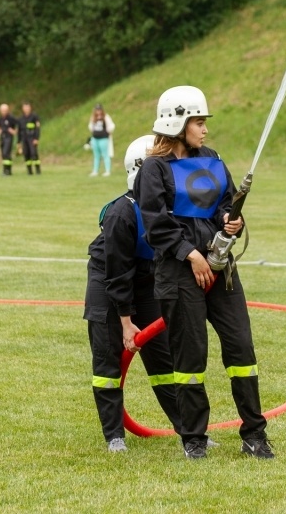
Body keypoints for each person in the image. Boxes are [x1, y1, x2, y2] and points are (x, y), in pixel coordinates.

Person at [134, 86, 274, 460]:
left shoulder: (211, 159)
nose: (204, 129)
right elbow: (155, 223)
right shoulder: (154, 169)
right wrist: (191, 255)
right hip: (180, 275)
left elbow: (224, 205)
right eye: (198, 121)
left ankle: (255, 436)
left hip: (221, 270)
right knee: (190, 357)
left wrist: (232, 222)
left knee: (241, 348)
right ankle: (193, 438)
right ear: (177, 123)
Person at [85, 135, 189, 453]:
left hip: (147, 281)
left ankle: (188, 429)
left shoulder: (169, 208)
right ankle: (114, 435)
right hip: (108, 282)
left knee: (164, 359)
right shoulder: (122, 214)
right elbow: (117, 275)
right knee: (108, 360)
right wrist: (126, 322)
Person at [88, 104, 116, 177]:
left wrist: (108, 131)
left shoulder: (105, 117)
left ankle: (107, 170)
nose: (98, 111)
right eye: (97, 110)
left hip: (103, 138)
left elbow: (111, 126)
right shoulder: (93, 118)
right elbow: (90, 126)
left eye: (99, 110)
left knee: (105, 154)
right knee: (96, 155)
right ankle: (95, 171)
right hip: (95, 138)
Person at [18, 101, 41, 175]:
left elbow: (37, 128)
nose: (26, 109)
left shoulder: (34, 117)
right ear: (23, 109)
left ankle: (37, 170)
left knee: (34, 153)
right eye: (25, 107)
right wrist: (19, 142)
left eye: (27, 107)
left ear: (30, 108)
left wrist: (36, 138)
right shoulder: (21, 119)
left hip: (32, 138)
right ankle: (29, 171)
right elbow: (19, 131)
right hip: (24, 139)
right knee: (26, 154)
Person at [0, 104, 18, 176]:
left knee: (6, 153)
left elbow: (19, 124)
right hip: (2, 137)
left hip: (9, 137)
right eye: (2, 110)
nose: (4, 112)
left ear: (8, 110)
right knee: (3, 154)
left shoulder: (11, 118)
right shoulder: (0, 118)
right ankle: (5, 169)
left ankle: (8, 170)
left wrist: (14, 131)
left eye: (5, 110)